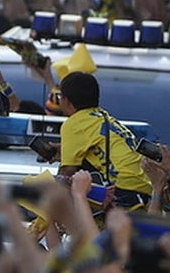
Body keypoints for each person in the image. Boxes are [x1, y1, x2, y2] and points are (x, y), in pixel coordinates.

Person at [57, 72, 150, 210]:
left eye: (60, 96)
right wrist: (61, 150)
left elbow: (68, 172)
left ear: (67, 100)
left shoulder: (73, 124)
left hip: (123, 189)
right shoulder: (102, 115)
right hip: (145, 186)